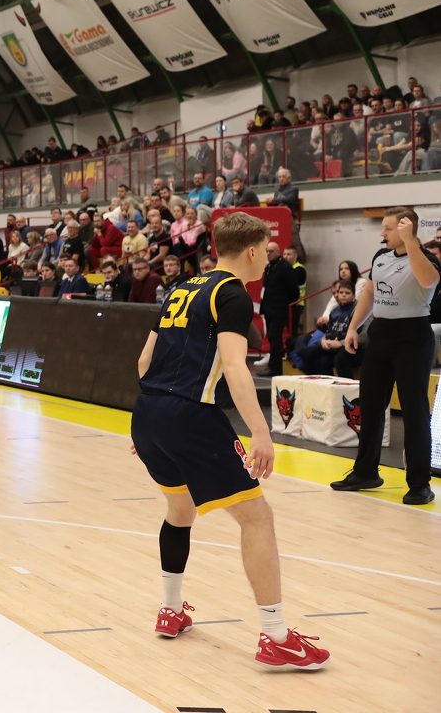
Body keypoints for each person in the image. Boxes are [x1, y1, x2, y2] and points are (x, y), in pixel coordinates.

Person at [131, 211, 329, 670]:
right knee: (257, 518)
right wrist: (261, 432)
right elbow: (236, 367)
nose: (267, 258)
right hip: (190, 416)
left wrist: (153, 423)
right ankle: (276, 636)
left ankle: (171, 610)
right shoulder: (233, 294)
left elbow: (144, 361)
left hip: (149, 410)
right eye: (267, 251)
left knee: (180, 510)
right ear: (253, 251)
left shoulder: (182, 287)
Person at [330, 207, 439, 505]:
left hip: (413, 337)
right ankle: (365, 472)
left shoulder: (427, 259)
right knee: (370, 406)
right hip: (381, 335)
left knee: (414, 411)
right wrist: (353, 328)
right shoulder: (381, 257)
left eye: (388, 228)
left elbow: (427, 281)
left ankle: (419, 483)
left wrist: (411, 241)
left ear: (407, 228)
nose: (382, 233)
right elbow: (369, 293)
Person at [257, 241, 303, 375]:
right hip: (268, 308)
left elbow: (294, 291)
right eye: (267, 251)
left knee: (275, 337)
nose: (268, 253)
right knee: (272, 338)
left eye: (271, 251)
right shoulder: (269, 267)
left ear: (278, 252)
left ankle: (275, 367)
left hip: (279, 308)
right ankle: (273, 365)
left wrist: (283, 302)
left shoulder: (285, 267)